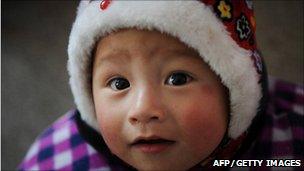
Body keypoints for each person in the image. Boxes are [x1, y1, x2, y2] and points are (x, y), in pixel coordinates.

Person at [19, 0, 303, 170]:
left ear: (234, 89)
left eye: (177, 79)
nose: (142, 109)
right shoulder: (57, 160)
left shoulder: (290, 144)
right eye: (119, 83)